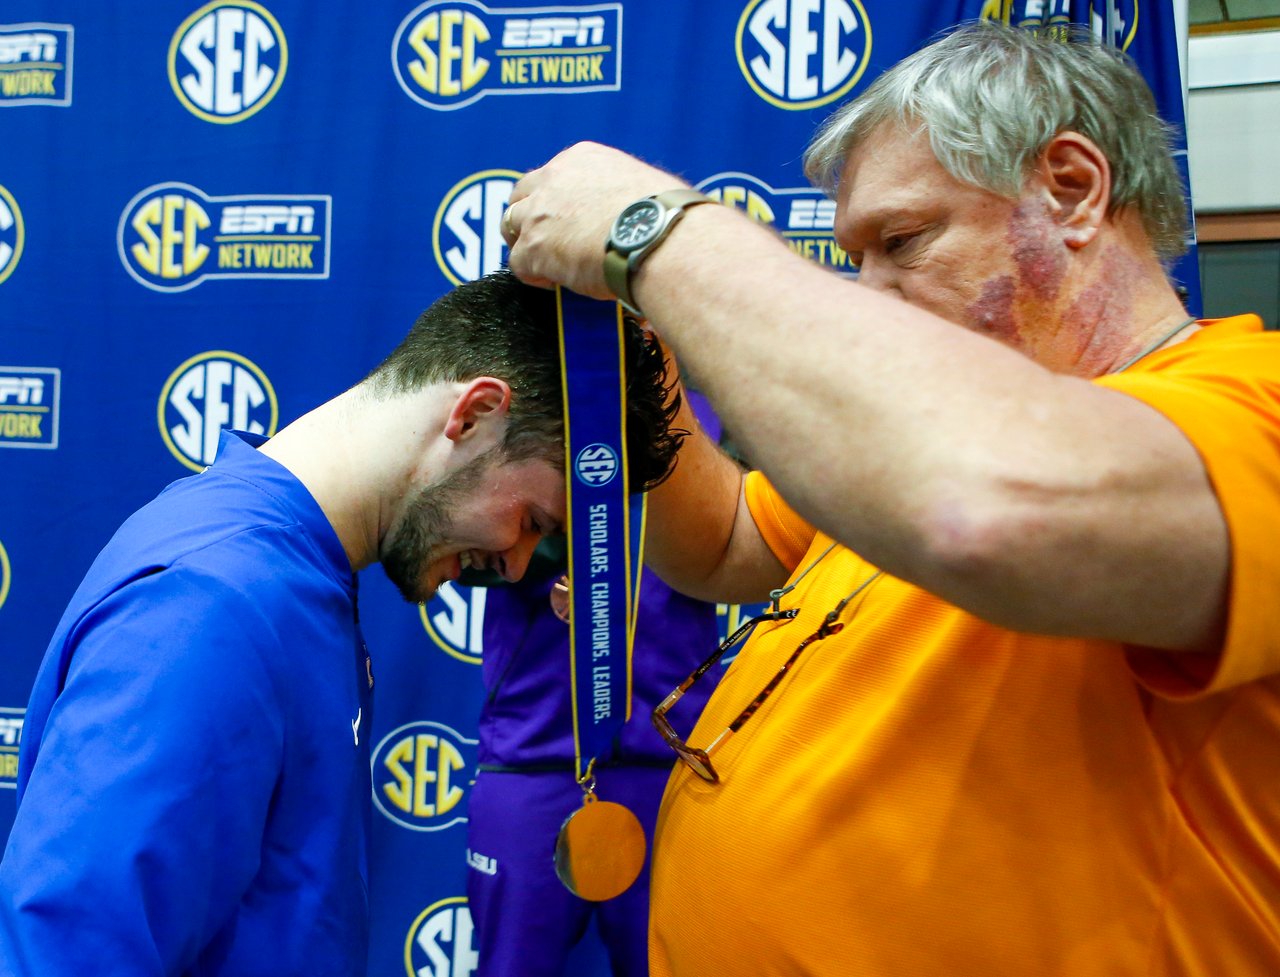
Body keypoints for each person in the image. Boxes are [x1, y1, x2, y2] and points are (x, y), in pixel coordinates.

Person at [500, 23, 1280, 977]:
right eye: (855, 259)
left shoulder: (1256, 401)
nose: (869, 294)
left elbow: (994, 509)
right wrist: (632, 352)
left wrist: (657, 233)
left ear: (1072, 191)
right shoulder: (917, 437)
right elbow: (725, 540)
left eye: (902, 241)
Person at [0, 271, 680, 977]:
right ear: (474, 414)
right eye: (532, 522)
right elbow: (68, 954)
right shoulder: (215, 604)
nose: (514, 566)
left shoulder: (288, 575)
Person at [464, 392, 728, 977]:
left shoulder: (707, 407)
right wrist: (555, 545)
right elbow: (462, 539)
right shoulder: (517, 395)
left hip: (671, 766)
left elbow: (748, 536)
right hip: (534, 761)